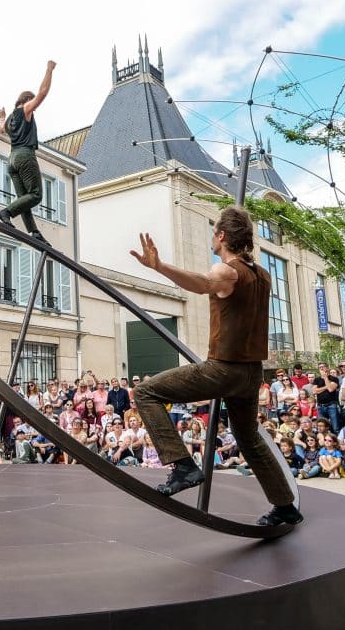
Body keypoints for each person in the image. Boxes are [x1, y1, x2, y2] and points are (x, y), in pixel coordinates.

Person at [128, 207, 300, 527]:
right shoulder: (262, 275)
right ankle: (285, 505)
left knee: (145, 391)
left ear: (221, 236)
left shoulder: (227, 271)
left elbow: (203, 283)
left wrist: (160, 266)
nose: (211, 238)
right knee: (248, 438)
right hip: (251, 373)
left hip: (224, 369)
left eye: (213, 233)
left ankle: (183, 466)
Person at [0, 60, 56, 244]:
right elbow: (42, 94)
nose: (33, 109)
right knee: (36, 194)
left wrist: (3, 118)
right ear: (25, 101)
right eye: (31, 104)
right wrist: (49, 70)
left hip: (12, 160)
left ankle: (34, 232)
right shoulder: (24, 109)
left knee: (24, 199)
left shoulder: (11, 118)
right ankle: (6, 212)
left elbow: (2, 129)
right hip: (24, 156)